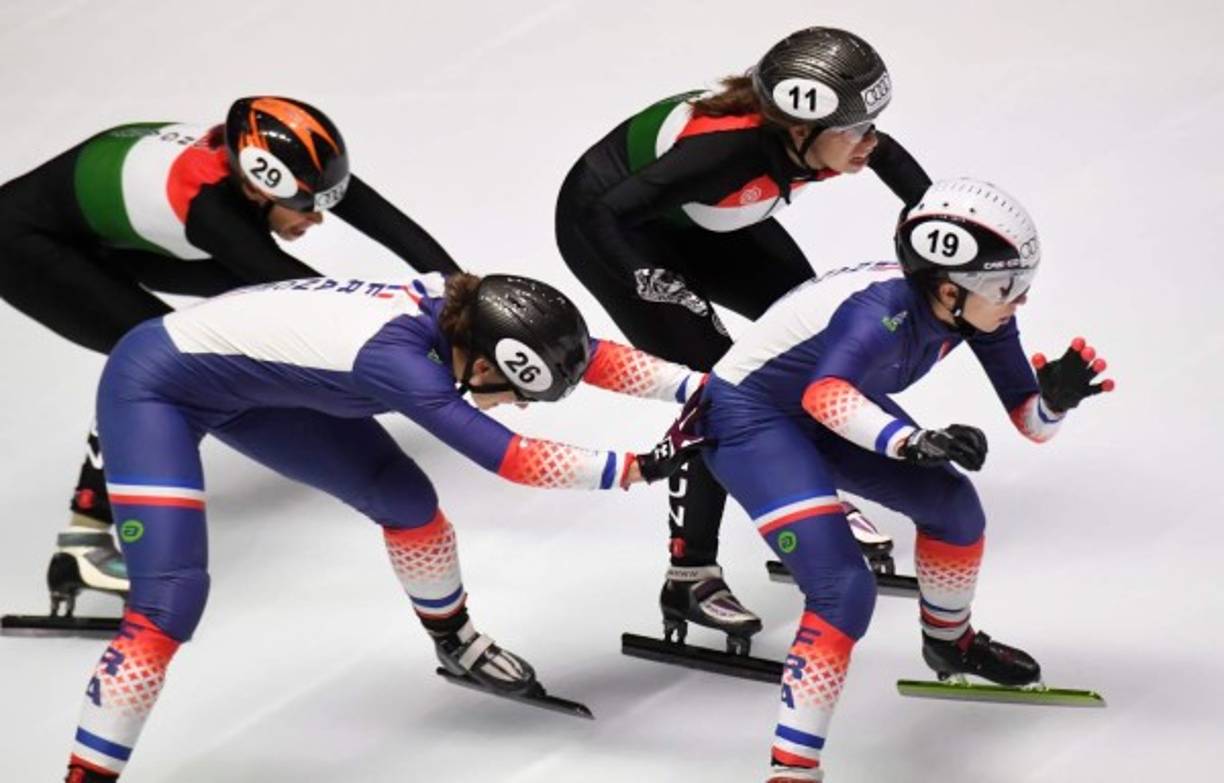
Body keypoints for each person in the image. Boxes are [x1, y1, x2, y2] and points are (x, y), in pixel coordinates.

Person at [62, 270, 704, 781]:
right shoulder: (400, 363)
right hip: (154, 385)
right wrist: (643, 467)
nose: (516, 404)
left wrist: (701, 389)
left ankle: (454, 639)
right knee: (169, 601)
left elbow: (585, 355)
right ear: (481, 364)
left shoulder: (471, 309)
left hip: (241, 377)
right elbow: (512, 458)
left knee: (406, 504)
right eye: (516, 392)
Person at [698, 178, 1114, 782]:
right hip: (749, 417)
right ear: (950, 289)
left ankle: (950, 642)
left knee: (954, 507)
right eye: (1009, 285)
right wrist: (912, 441)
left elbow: (1032, 423)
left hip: (826, 407)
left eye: (1023, 281)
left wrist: (1055, 401)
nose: (1019, 300)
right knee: (844, 589)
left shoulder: (976, 309)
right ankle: (792, 770)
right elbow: (823, 395)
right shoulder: (880, 312)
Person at [0, 96, 460, 615]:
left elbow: (383, 219)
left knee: (242, 308)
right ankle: (82, 542)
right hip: (24, 244)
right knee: (156, 358)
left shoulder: (283, 168)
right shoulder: (213, 210)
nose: (319, 218)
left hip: (114, 232)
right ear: (258, 188)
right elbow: (312, 298)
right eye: (307, 207)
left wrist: (458, 288)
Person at [554, 27, 931, 642]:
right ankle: (690, 574)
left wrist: (941, 231)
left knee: (819, 339)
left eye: (871, 124)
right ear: (801, 130)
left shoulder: (814, 136)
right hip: (615, 229)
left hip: (703, 216)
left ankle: (807, 492)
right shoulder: (729, 152)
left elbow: (892, 161)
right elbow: (603, 213)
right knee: (720, 394)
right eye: (857, 130)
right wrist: (648, 280)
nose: (871, 142)